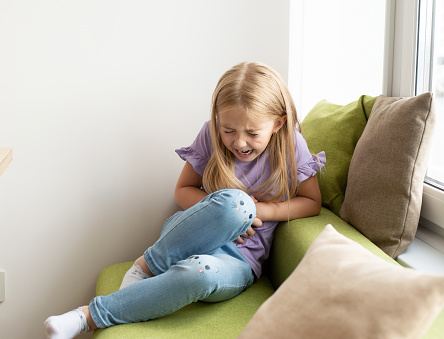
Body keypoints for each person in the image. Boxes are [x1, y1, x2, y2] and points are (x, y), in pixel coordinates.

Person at [44, 62, 326, 338]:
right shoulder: (211, 134)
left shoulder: (292, 146)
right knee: (237, 204)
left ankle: (85, 317)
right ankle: (145, 267)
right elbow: (182, 191)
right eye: (229, 130)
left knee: (201, 272)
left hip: (238, 260)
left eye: (252, 133)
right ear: (218, 119)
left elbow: (311, 202)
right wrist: (239, 210)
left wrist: (260, 210)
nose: (239, 142)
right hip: (187, 238)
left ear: (278, 123)